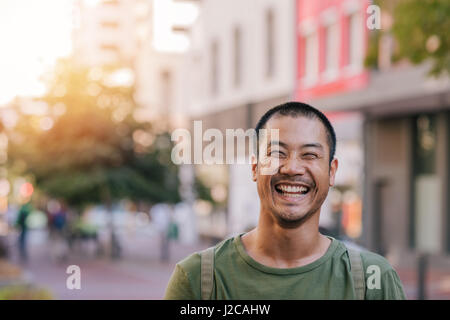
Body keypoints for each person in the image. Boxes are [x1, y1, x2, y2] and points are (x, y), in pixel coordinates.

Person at [164, 102, 406, 300]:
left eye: (310, 155)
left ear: (331, 172)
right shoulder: (199, 279)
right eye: (277, 153)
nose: (291, 168)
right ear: (255, 167)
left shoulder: (373, 279)